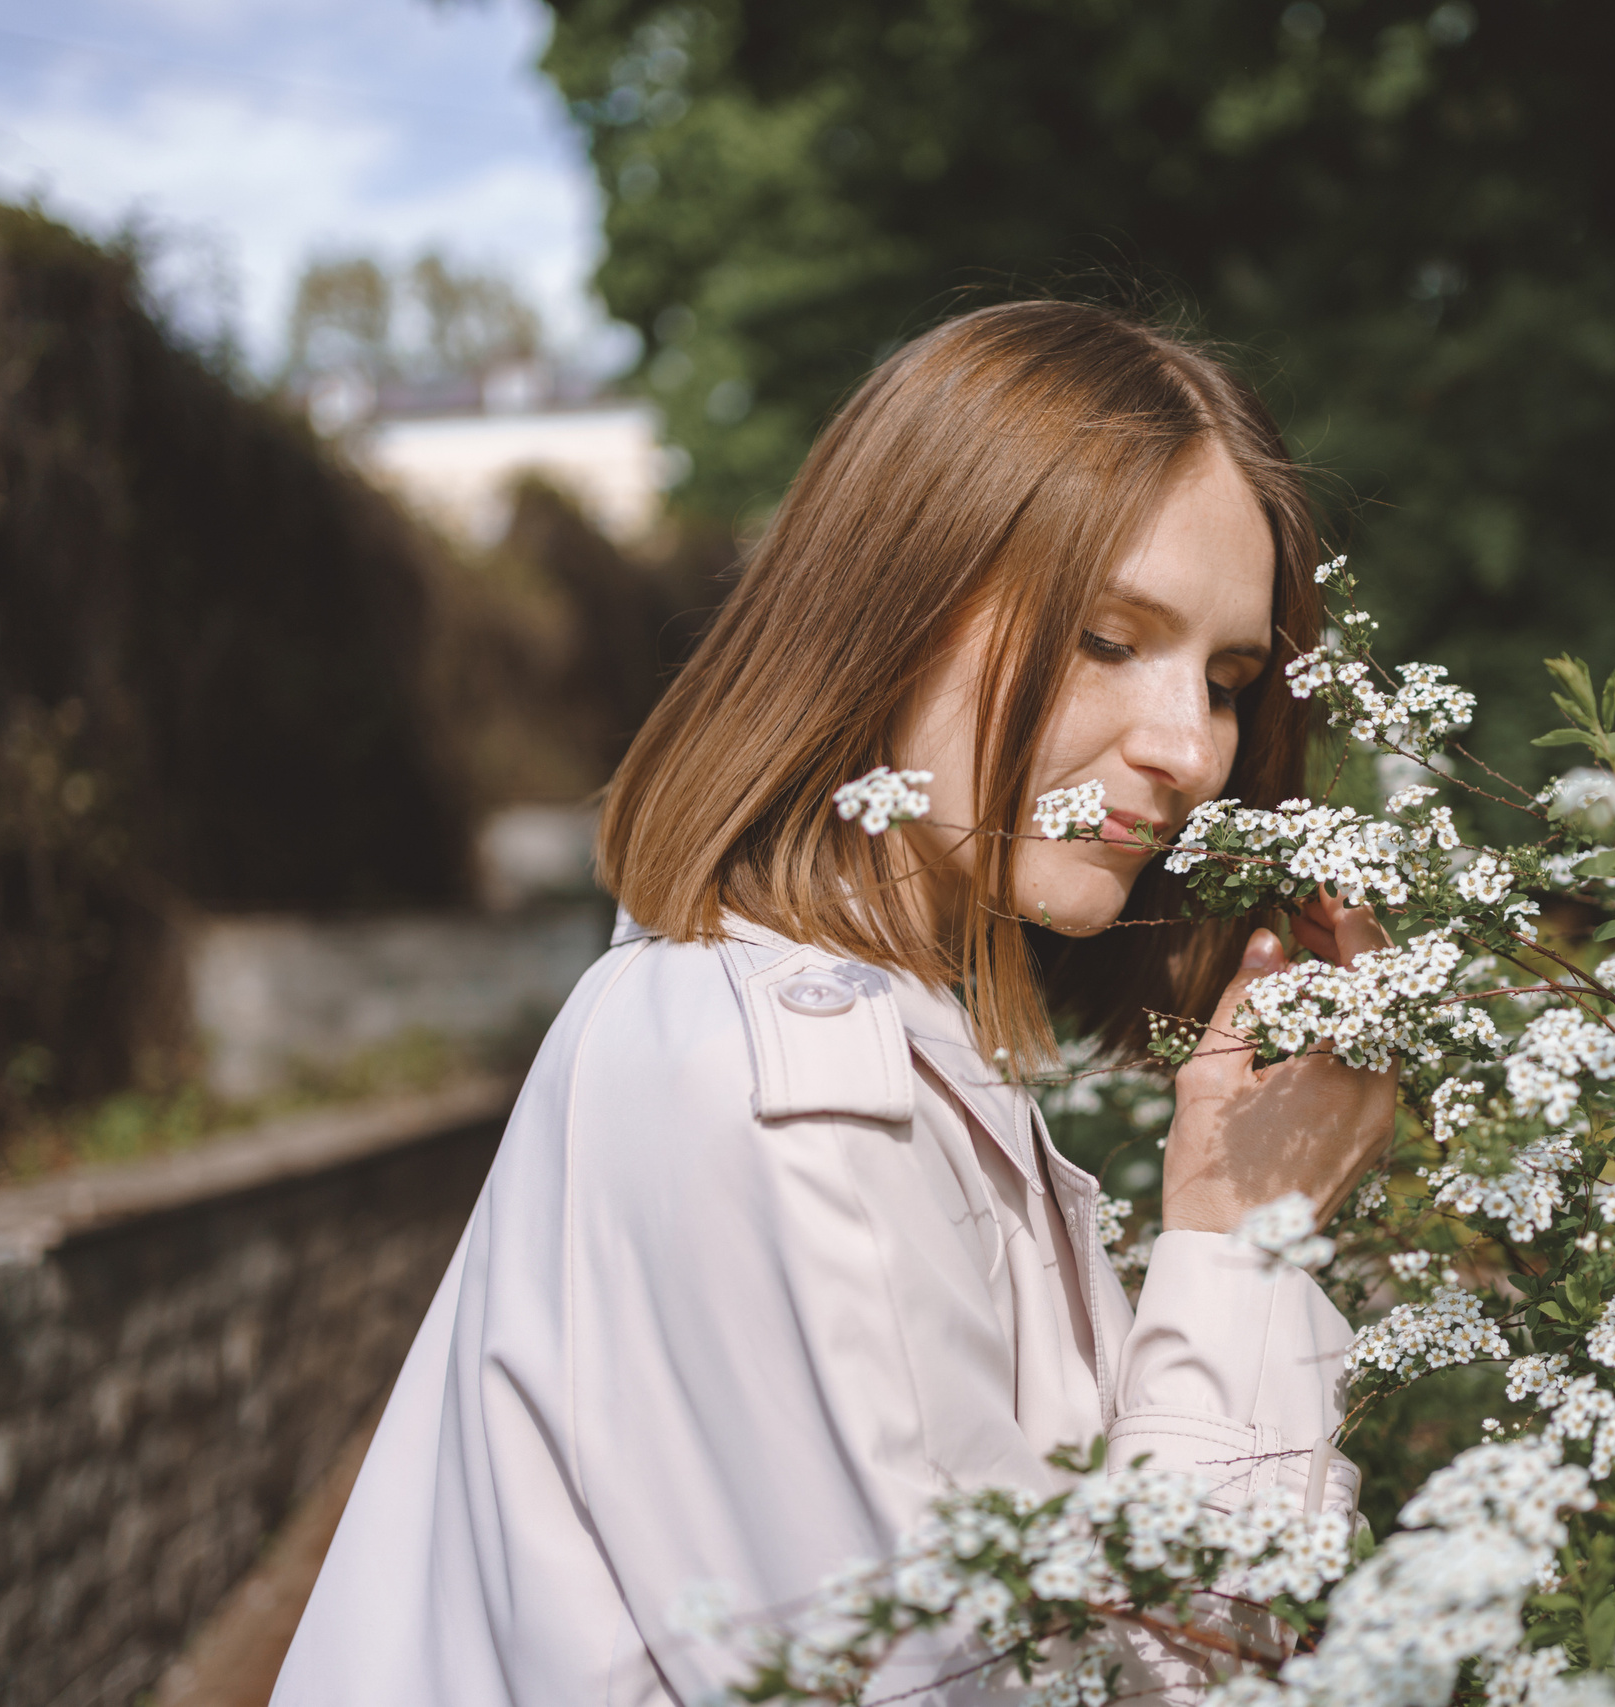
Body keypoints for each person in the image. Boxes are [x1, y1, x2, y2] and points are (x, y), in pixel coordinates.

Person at [270, 300, 1397, 1706]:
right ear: (892, 607)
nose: (1189, 751)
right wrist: (1243, 1243)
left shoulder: (826, 1041)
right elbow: (1030, 1684)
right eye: (1109, 639)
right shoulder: (789, 1100)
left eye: (1229, 682)